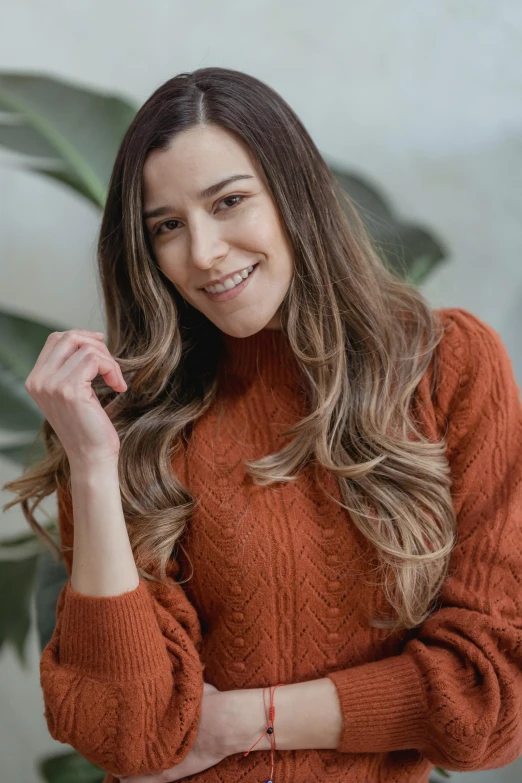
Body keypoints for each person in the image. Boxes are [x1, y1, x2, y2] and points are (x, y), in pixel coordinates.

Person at [3, 67, 522, 783]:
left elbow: (493, 700)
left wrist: (245, 719)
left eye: (229, 202)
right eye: (167, 227)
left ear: (293, 193)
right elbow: (130, 731)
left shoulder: (446, 366)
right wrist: (92, 465)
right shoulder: (130, 420)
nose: (204, 252)